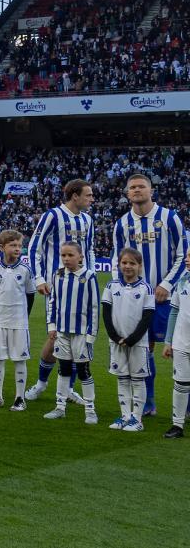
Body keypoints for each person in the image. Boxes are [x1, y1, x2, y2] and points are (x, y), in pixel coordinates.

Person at [111, 174, 187, 417]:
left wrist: (166, 284)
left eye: (141, 186)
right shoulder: (122, 223)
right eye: (132, 187)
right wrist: (121, 289)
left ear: (151, 190)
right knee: (144, 350)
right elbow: (117, 259)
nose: (136, 190)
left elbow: (183, 257)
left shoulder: (169, 218)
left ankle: (186, 405)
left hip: (169, 298)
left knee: (181, 348)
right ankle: (148, 402)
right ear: (127, 193)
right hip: (137, 300)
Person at [27, 180, 97, 404]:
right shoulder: (53, 216)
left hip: (82, 288)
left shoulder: (87, 219)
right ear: (74, 196)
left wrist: (91, 274)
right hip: (57, 287)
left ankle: (67, 389)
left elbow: (90, 250)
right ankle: (41, 383)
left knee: (79, 338)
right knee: (55, 336)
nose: (92, 199)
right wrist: (38, 278)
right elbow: (34, 246)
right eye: (88, 195)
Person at [44, 241, 100, 424]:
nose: (66, 259)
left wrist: (91, 334)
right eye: (63, 255)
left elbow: (94, 307)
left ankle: (90, 410)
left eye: (70, 255)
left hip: (81, 332)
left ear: (80, 257)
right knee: (64, 369)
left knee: (83, 370)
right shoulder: (57, 275)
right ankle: (60, 407)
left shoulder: (89, 277)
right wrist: (51, 326)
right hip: (62, 331)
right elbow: (52, 302)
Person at [103, 248, 156, 431]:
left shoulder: (146, 288)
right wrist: (115, 337)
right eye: (124, 263)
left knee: (137, 379)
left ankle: (137, 419)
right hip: (117, 342)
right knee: (122, 378)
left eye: (132, 263)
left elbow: (148, 317)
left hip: (138, 343)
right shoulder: (111, 286)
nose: (127, 266)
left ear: (140, 266)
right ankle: (125, 416)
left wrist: (132, 339)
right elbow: (106, 314)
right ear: (119, 264)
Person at [0, 229, 37, 411]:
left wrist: (23, 316)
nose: (17, 249)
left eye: (19, 245)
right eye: (13, 245)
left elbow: (30, 296)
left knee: (19, 359)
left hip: (19, 322)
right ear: (2, 247)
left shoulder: (25, 270)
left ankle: (19, 398)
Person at [165, 255, 190, 438]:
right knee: (181, 382)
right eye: (187, 255)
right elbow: (174, 311)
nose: (187, 259)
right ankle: (177, 425)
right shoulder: (182, 281)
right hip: (181, 342)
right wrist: (168, 341)